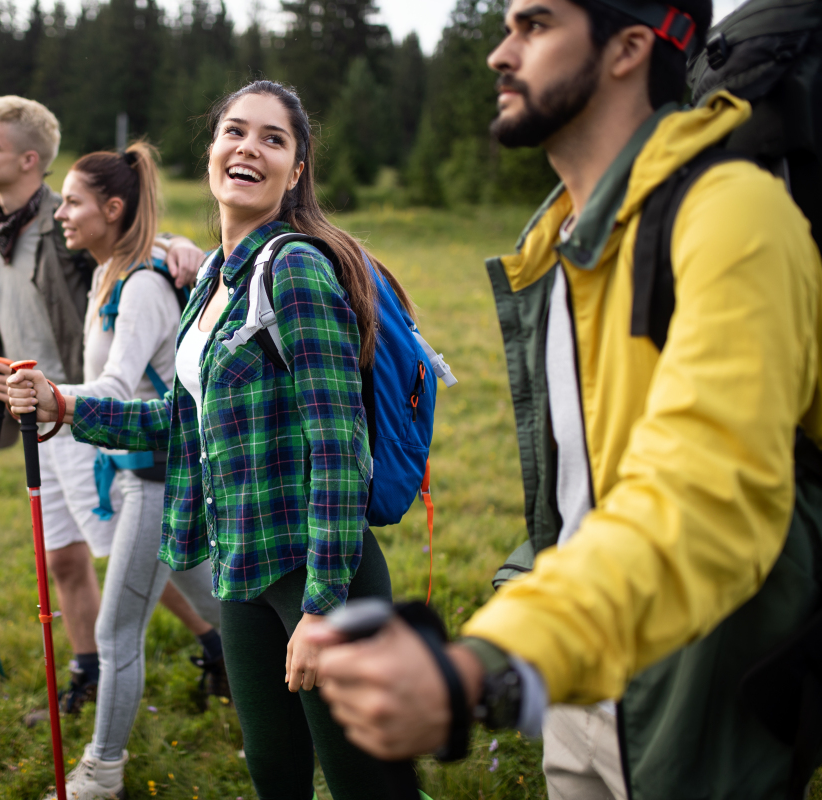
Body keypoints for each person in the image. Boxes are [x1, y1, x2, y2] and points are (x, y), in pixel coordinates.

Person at [309, 1, 822, 798]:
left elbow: (707, 500)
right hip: (570, 679)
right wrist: (526, 596)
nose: (499, 54)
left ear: (627, 47)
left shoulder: (733, 216)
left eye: (536, 25)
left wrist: (490, 665)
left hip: (694, 691)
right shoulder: (557, 244)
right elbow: (583, 488)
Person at [7, 80, 418, 799]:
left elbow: (339, 446)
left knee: (368, 784)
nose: (248, 148)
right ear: (212, 151)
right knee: (273, 768)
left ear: (296, 170)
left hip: (318, 571)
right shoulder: (212, 282)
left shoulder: (294, 270)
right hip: (243, 565)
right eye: (235, 131)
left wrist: (322, 607)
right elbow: (178, 418)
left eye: (272, 138)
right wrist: (61, 404)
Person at [0, 95, 213, 713]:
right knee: (67, 558)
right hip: (40, 412)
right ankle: (92, 669)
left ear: (28, 160)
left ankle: (213, 641)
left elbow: (127, 236)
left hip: (82, 411)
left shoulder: (62, 227)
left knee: (124, 552)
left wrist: (177, 244)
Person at [1, 140, 224, 799]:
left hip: (160, 478)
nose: (59, 213)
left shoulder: (144, 285)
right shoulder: (109, 274)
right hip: (137, 473)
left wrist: (56, 398)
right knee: (227, 605)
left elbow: (121, 387)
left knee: (116, 628)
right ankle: (292, 675)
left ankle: (102, 776)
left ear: (114, 208)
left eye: (72, 202)